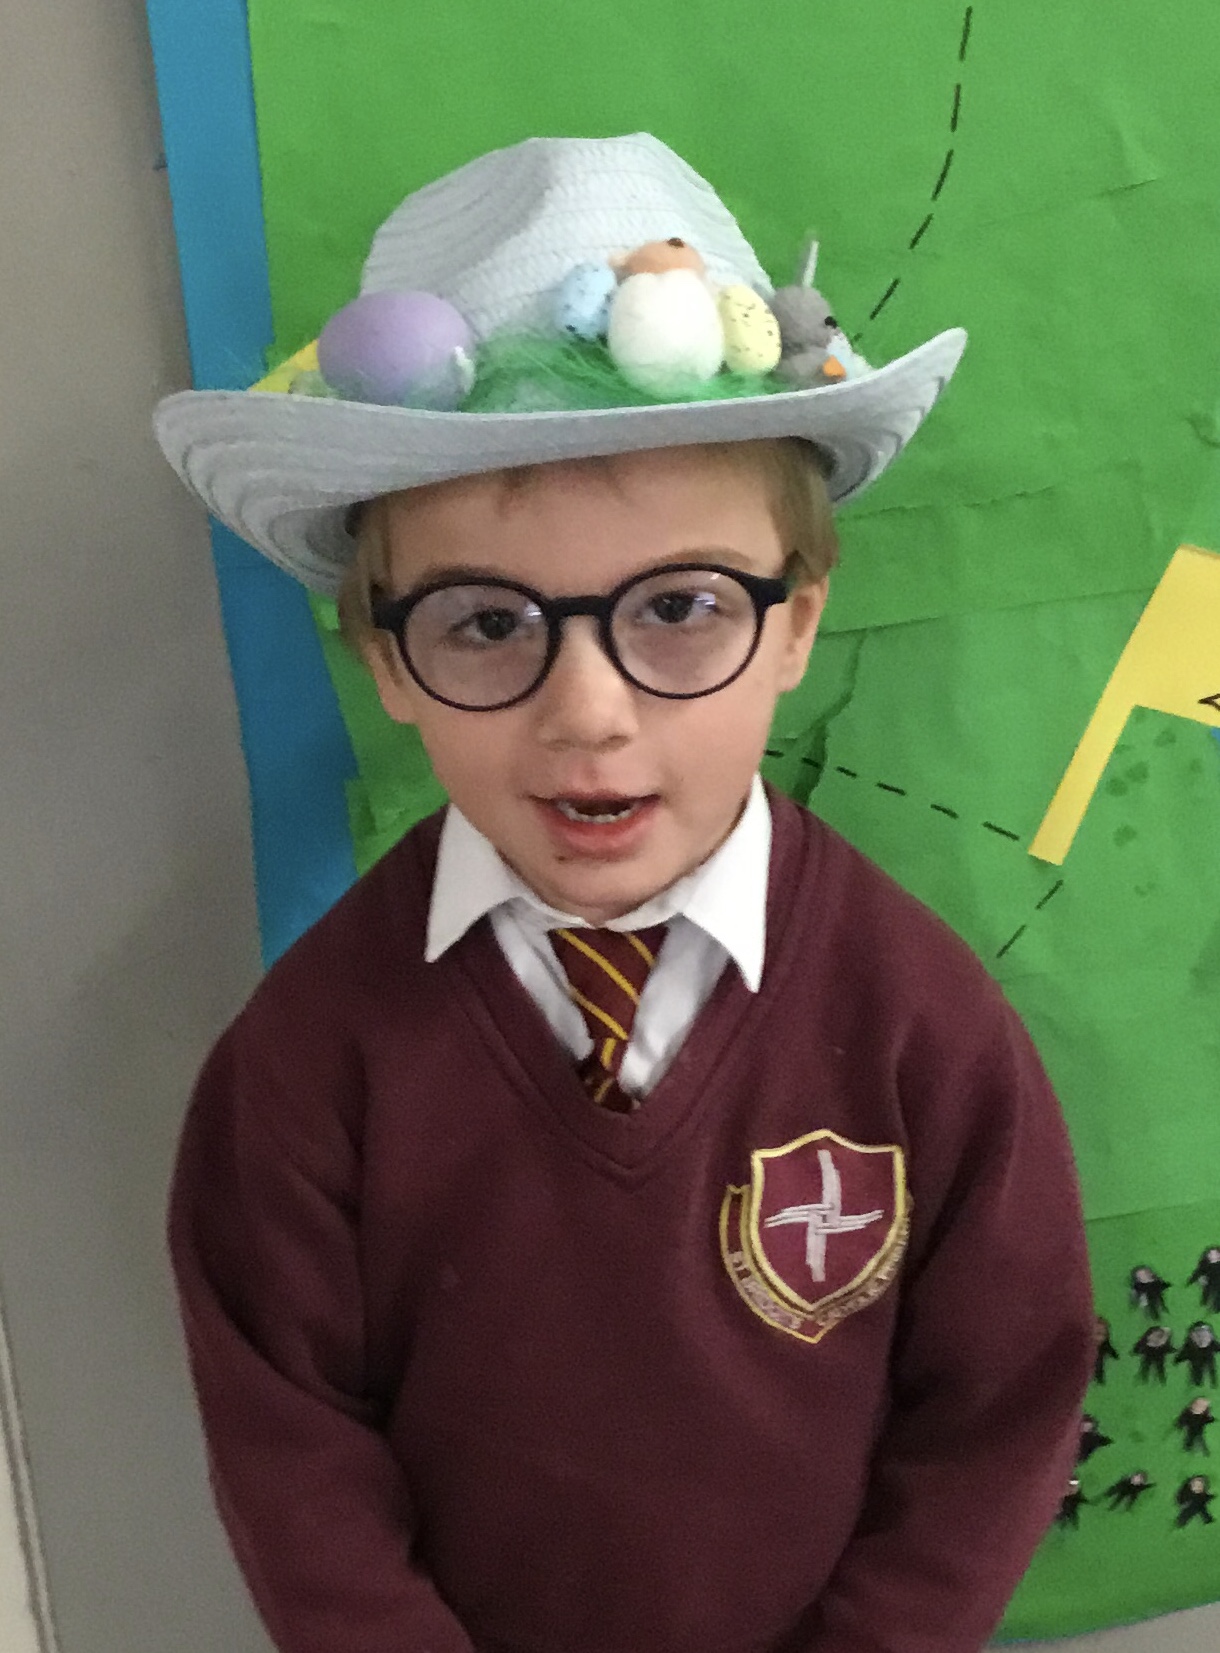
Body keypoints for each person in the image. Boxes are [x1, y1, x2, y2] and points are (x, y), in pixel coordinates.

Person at [156, 133, 1095, 1653]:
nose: (589, 712)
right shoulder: (305, 1069)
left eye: (677, 608)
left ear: (794, 625)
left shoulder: (921, 1023)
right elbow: (297, 1473)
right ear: (388, 657)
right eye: (483, 623)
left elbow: (999, 1407)